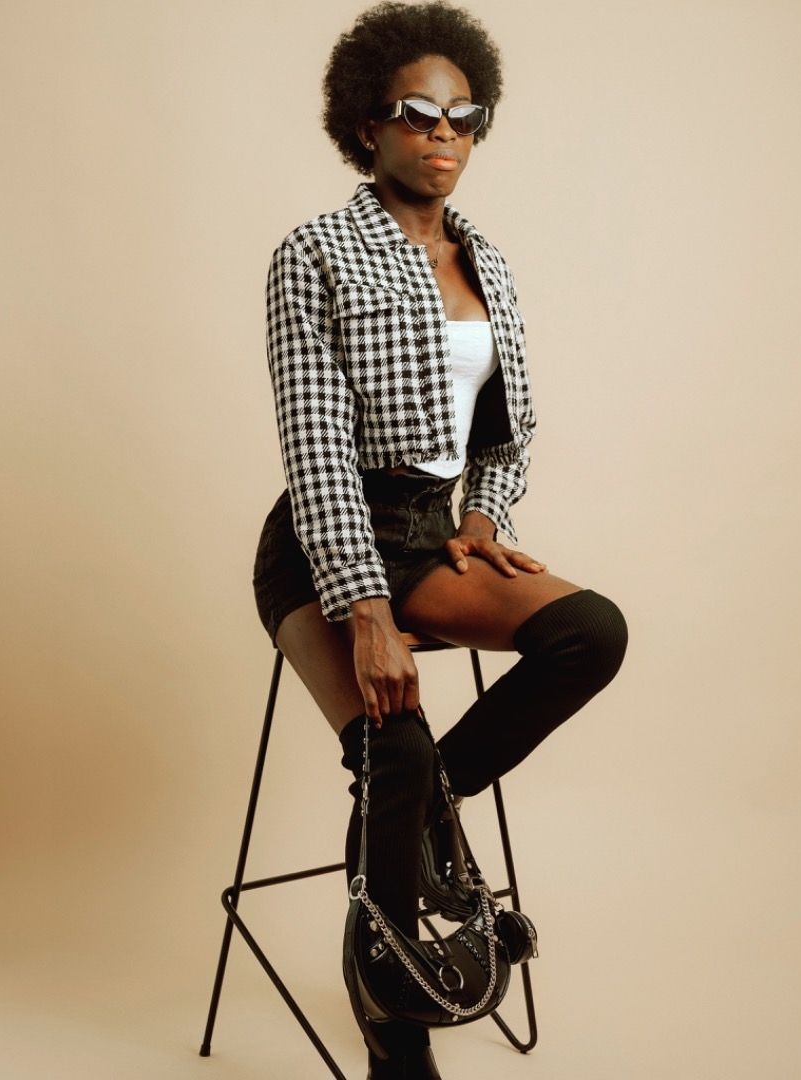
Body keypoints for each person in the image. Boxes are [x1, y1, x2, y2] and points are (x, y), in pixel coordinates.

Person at [253, 3, 628, 1077]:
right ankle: (395, 1032)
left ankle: (420, 820)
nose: (445, 134)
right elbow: (316, 446)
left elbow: (508, 431)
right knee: (397, 749)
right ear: (366, 124)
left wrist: (480, 519)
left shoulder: (488, 264)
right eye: (418, 114)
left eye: (466, 116)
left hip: (430, 534)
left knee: (591, 632)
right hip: (323, 544)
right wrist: (366, 611)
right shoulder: (315, 254)